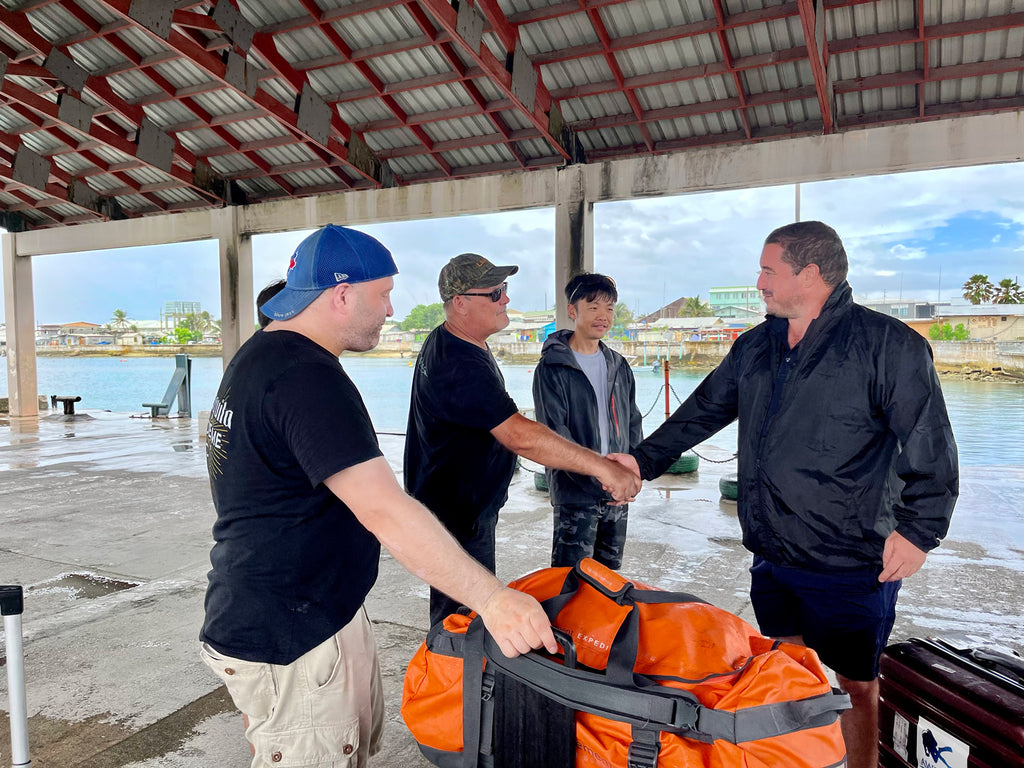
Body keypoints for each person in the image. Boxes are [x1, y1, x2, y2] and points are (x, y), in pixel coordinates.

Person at [200, 226, 557, 768]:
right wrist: (492, 599)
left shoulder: (263, 357)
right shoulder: (304, 379)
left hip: (318, 608)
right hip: (292, 632)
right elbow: (385, 509)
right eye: (383, 293)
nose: (391, 310)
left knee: (357, 749)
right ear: (342, 294)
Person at [609, 221, 958, 768]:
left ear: (810, 274)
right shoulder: (757, 345)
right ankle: (800, 759)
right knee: (786, 670)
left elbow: (930, 443)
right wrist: (641, 461)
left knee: (856, 684)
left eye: (769, 270)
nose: (759, 282)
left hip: (850, 557)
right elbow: (703, 411)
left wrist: (919, 531)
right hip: (772, 552)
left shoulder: (890, 345)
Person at [404, 253, 642, 627]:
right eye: (495, 293)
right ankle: (450, 680)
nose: (506, 299)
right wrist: (599, 467)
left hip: (467, 507)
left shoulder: (463, 344)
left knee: (467, 612)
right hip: (457, 514)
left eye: (505, 290)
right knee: (461, 621)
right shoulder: (458, 360)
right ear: (460, 304)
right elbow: (519, 434)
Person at [532, 272, 643, 569]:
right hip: (576, 494)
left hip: (617, 491)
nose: (603, 316)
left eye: (609, 308)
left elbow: (633, 421)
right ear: (573, 310)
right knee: (571, 581)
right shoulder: (553, 368)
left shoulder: (618, 365)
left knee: (610, 579)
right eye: (593, 307)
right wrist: (599, 479)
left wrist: (632, 474)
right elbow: (555, 434)